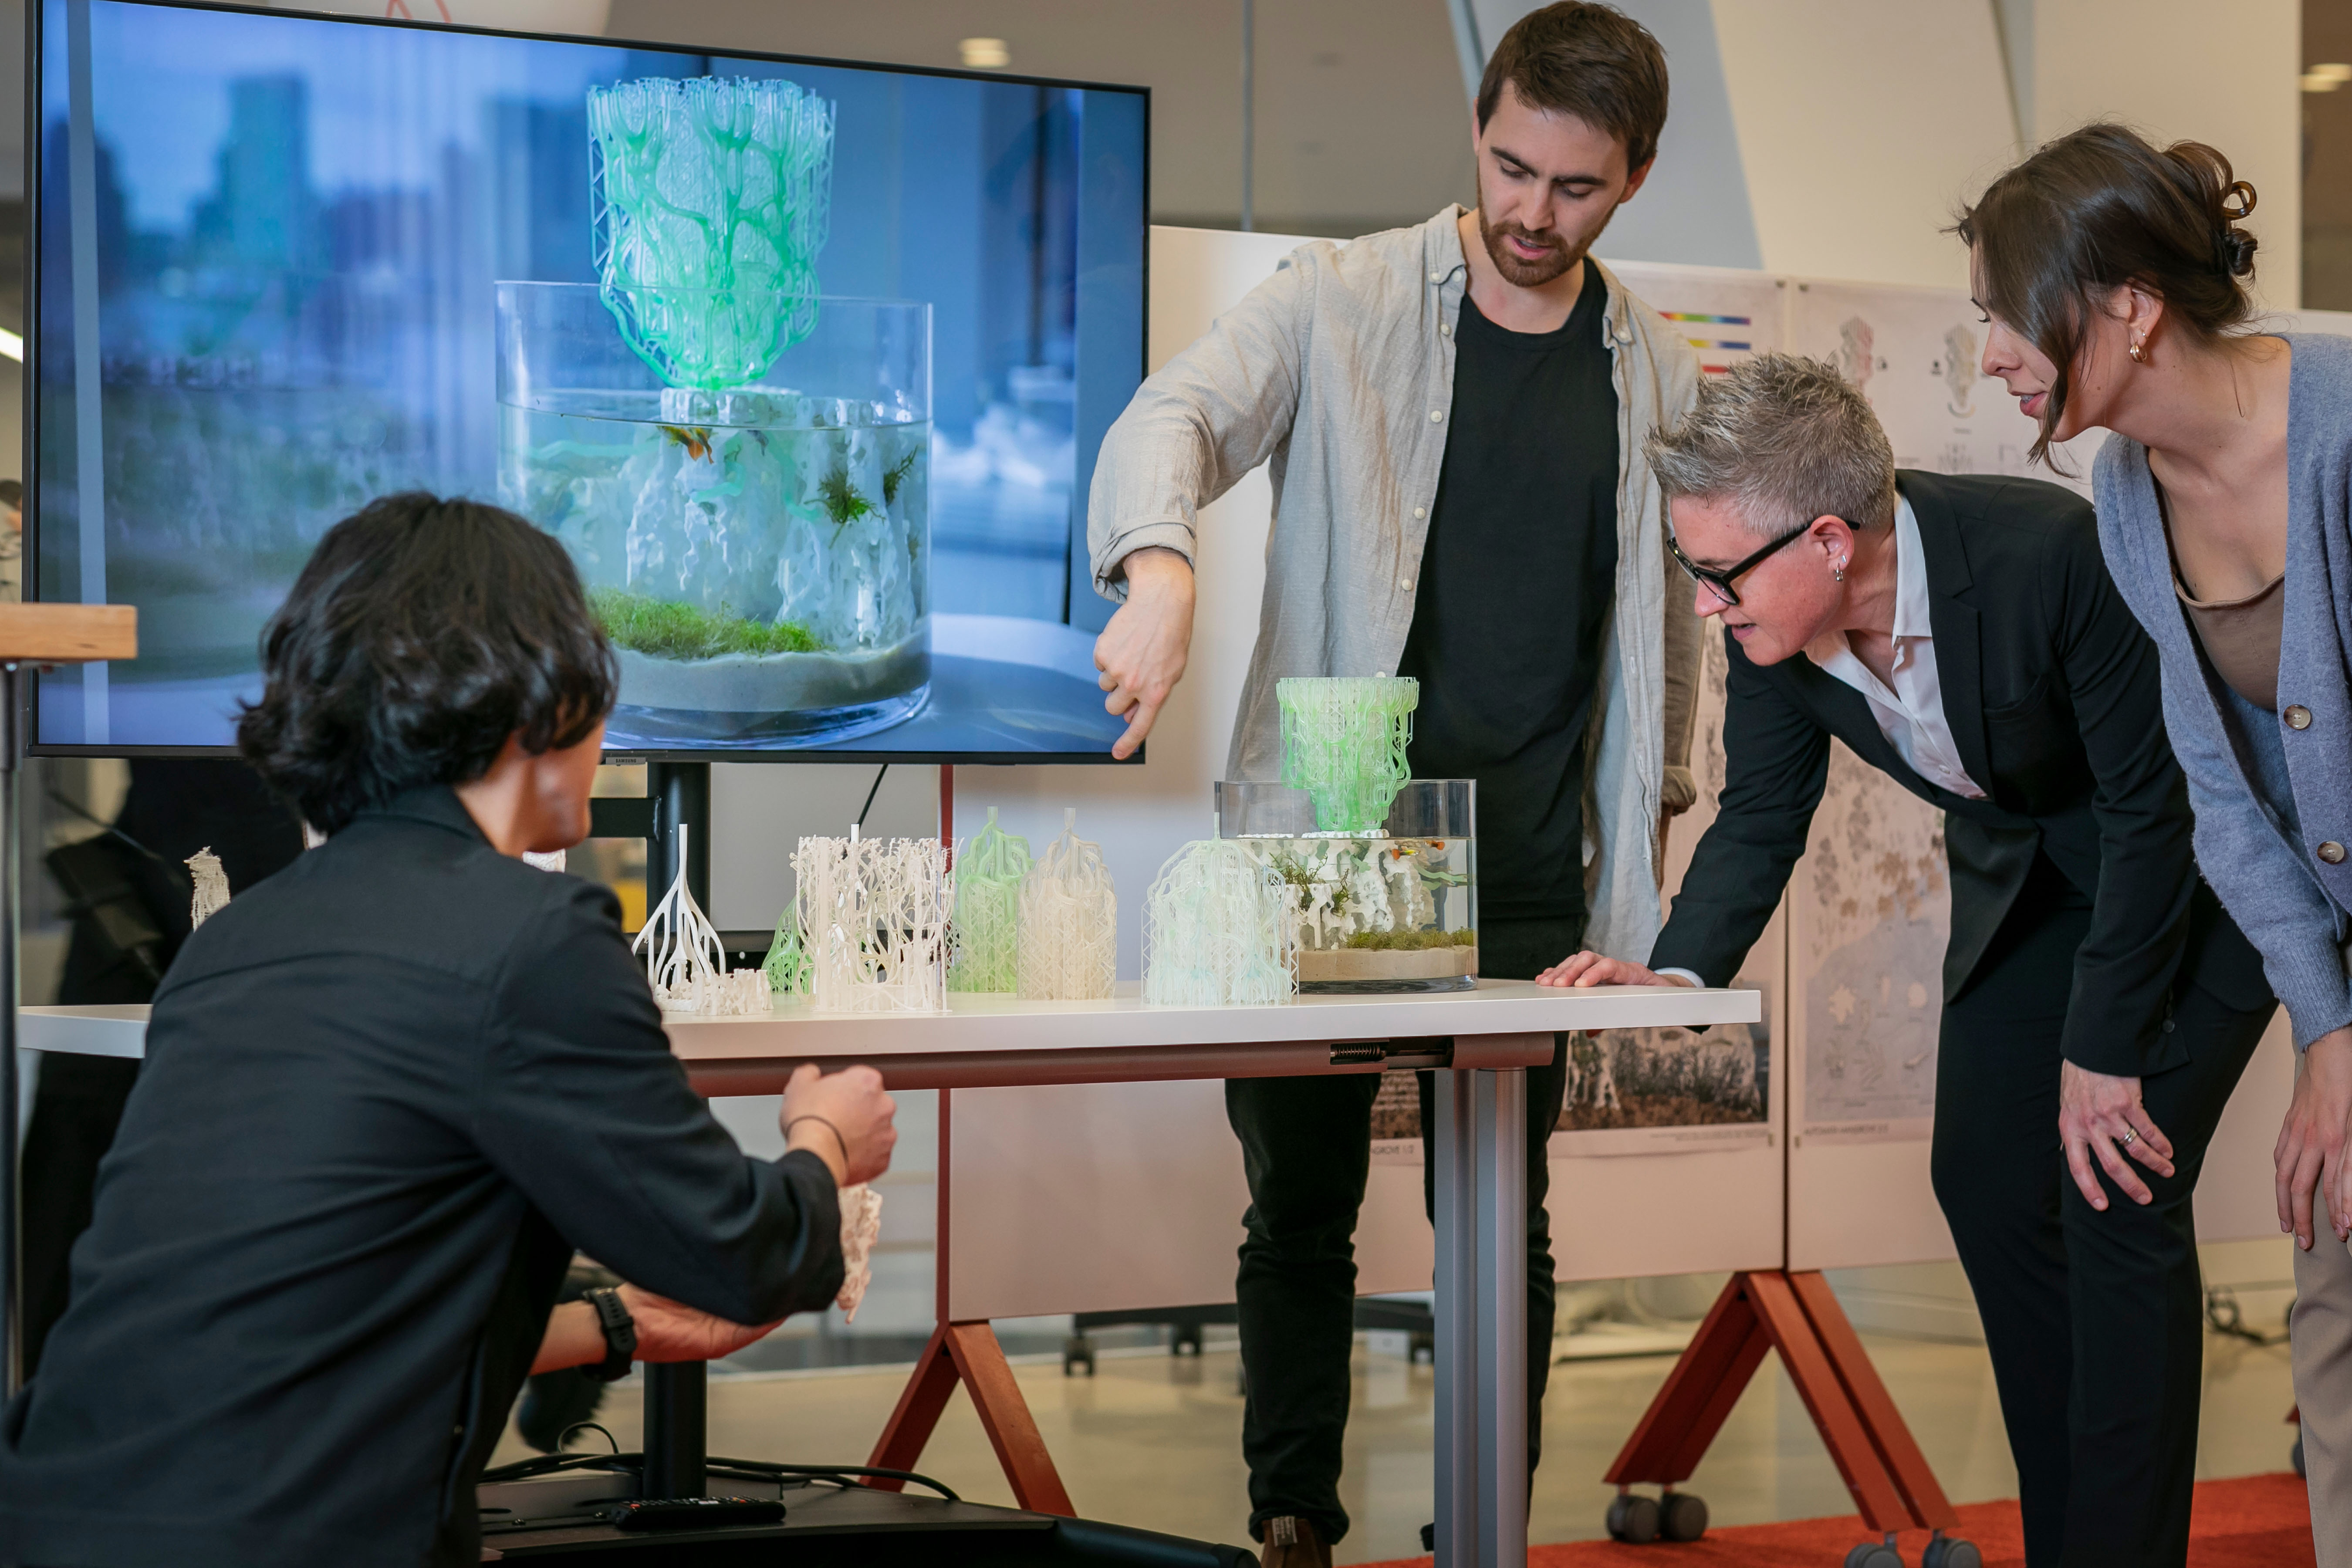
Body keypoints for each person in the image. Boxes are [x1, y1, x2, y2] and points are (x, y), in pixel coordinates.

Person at [0, 493, 899, 1568]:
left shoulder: (235, 944)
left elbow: (320, 1310)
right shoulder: (534, 940)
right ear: (542, 695)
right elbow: (758, 1256)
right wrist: (825, 1136)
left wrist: (615, 1327)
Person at [1086, 5, 1699, 1560]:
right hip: (1330, 857)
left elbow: (1692, 618)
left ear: (1633, 179)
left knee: (1506, 1225)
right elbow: (1176, 414)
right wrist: (1161, 567)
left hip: (1528, 865)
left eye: (1574, 188)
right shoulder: (1340, 299)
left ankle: (1478, 1530)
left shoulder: (1659, 375)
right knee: (1300, 1212)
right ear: (1479, 128)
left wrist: (1673, 800)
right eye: (1509, 169)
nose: (1529, 214)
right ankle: (1295, 1516)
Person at [1540, 353, 2274, 1568]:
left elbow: (2156, 811)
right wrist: (1677, 978)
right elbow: (1762, 812)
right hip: (2037, 879)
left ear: (1830, 538)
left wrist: (2102, 1051)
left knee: (2117, 1186)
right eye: (1692, 572)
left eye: (1717, 575)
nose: (1706, 605)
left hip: (2197, 887)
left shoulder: (2046, 555)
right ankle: (2066, 1544)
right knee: (1986, 1177)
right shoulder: (1777, 624)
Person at [1959, 122, 2352, 1565]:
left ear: (2127, 306)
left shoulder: (2345, 424)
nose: (1992, 355)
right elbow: (2219, 786)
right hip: (2330, 958)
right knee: (2339, 1304)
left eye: (2009, 315)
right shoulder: (2128, 491)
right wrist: (2328, 1027)